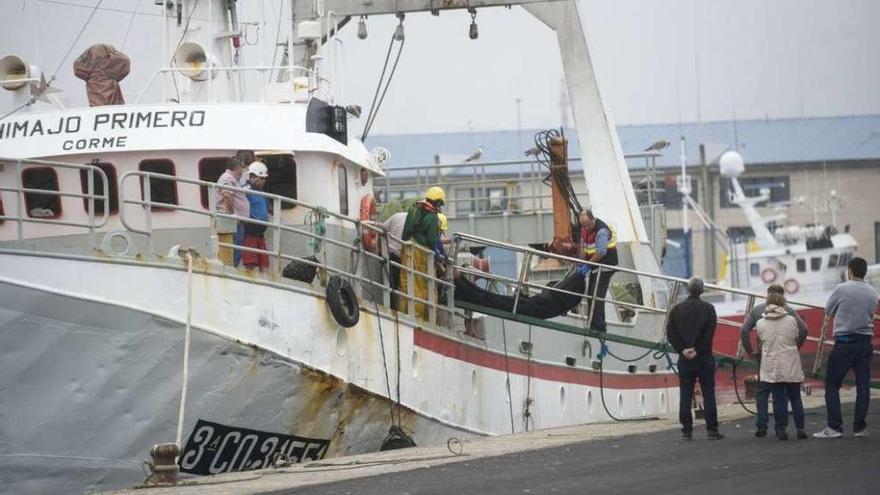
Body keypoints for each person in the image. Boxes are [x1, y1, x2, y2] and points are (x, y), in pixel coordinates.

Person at [814, 256, 879, 438]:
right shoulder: (873, 292)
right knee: (863, 386)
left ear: (850, 270)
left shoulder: (841, 288)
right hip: (865, 343)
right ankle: (859, 428)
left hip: (844, 343)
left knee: (832, 384)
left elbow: (828, 310)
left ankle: (835, 427)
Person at [740, 284, 808, 437]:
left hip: (766, 358)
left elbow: (744, 331)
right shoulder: (789, 312)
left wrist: (751, 351)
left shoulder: (757, 311)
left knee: (764, 392)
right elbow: (804, 329)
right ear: (782, 296)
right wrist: (796, 345)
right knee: (794, 396)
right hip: (789, 359)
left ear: (768, 295)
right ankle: (796, 428)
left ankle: (763, 426)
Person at [666, 277, 724, 440]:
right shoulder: (709, 309)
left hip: (685, 358)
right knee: (708, 393)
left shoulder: (677, 309)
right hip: (704, 357)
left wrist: (683, 350)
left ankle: (686, 430)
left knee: (685, 393)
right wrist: (697, 349)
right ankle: (712, 429)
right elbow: (709, 333)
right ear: (702, 290)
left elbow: (670, 333)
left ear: (688, 290)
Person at [400, 186, 444, 320]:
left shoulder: (413, 210)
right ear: (436, 202)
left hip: (406, 249)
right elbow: (432, 240)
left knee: (405, 283)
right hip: (421, 253)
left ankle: (403, 312)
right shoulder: (432, 217)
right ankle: (419, 318)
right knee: (421, 287)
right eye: (440, 204)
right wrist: (438, 255)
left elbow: (405, 232)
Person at [578, 209, 618, 332]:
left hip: (606, 266)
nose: (587, 228)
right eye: (584, 226)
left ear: (593, 219)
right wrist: (581, 263)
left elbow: (601, 252)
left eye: (589, 225)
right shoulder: (584, 230)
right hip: (596, 266)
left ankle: (599, 326)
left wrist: (587, 265)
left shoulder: (601, 231)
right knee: (591, 294)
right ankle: (593, 323)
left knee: (597, 295)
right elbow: (584, 249)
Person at [215, 157, 248, 266]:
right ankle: (231, 272)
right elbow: (227, 195)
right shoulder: (227, 178)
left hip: (236, 222)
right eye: (241, 168)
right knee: (234, 252)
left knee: (236, 251)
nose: (242, 171)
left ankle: (233, 269)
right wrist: (232, 216)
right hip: (233, 222)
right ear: (237, 168)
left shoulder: (232, 179)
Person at [242, 162, 270, 272]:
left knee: (264, 261)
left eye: (264, 179)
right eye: (261, 178)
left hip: (260, 233)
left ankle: (265, 283)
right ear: (253, 177)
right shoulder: (246, 190)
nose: (264, 181)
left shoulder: (261, 191)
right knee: (251, 262)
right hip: (250, 231)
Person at [233, 150, 257, 265]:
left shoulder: (241, 183)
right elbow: (229, 195)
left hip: (244, 221)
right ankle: (235, 266)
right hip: (238, 219)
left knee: (240, 245)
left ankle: (236, 265)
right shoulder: (232, 181)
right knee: (238, 245)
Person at [381, 211, 408, 310]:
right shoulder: (414, 222)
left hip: (389, 252)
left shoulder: (397, 215)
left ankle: (390, 306)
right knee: (398, 284)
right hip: (401, 256)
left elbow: (382, 228)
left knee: (389, 282)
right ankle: (394, 308)